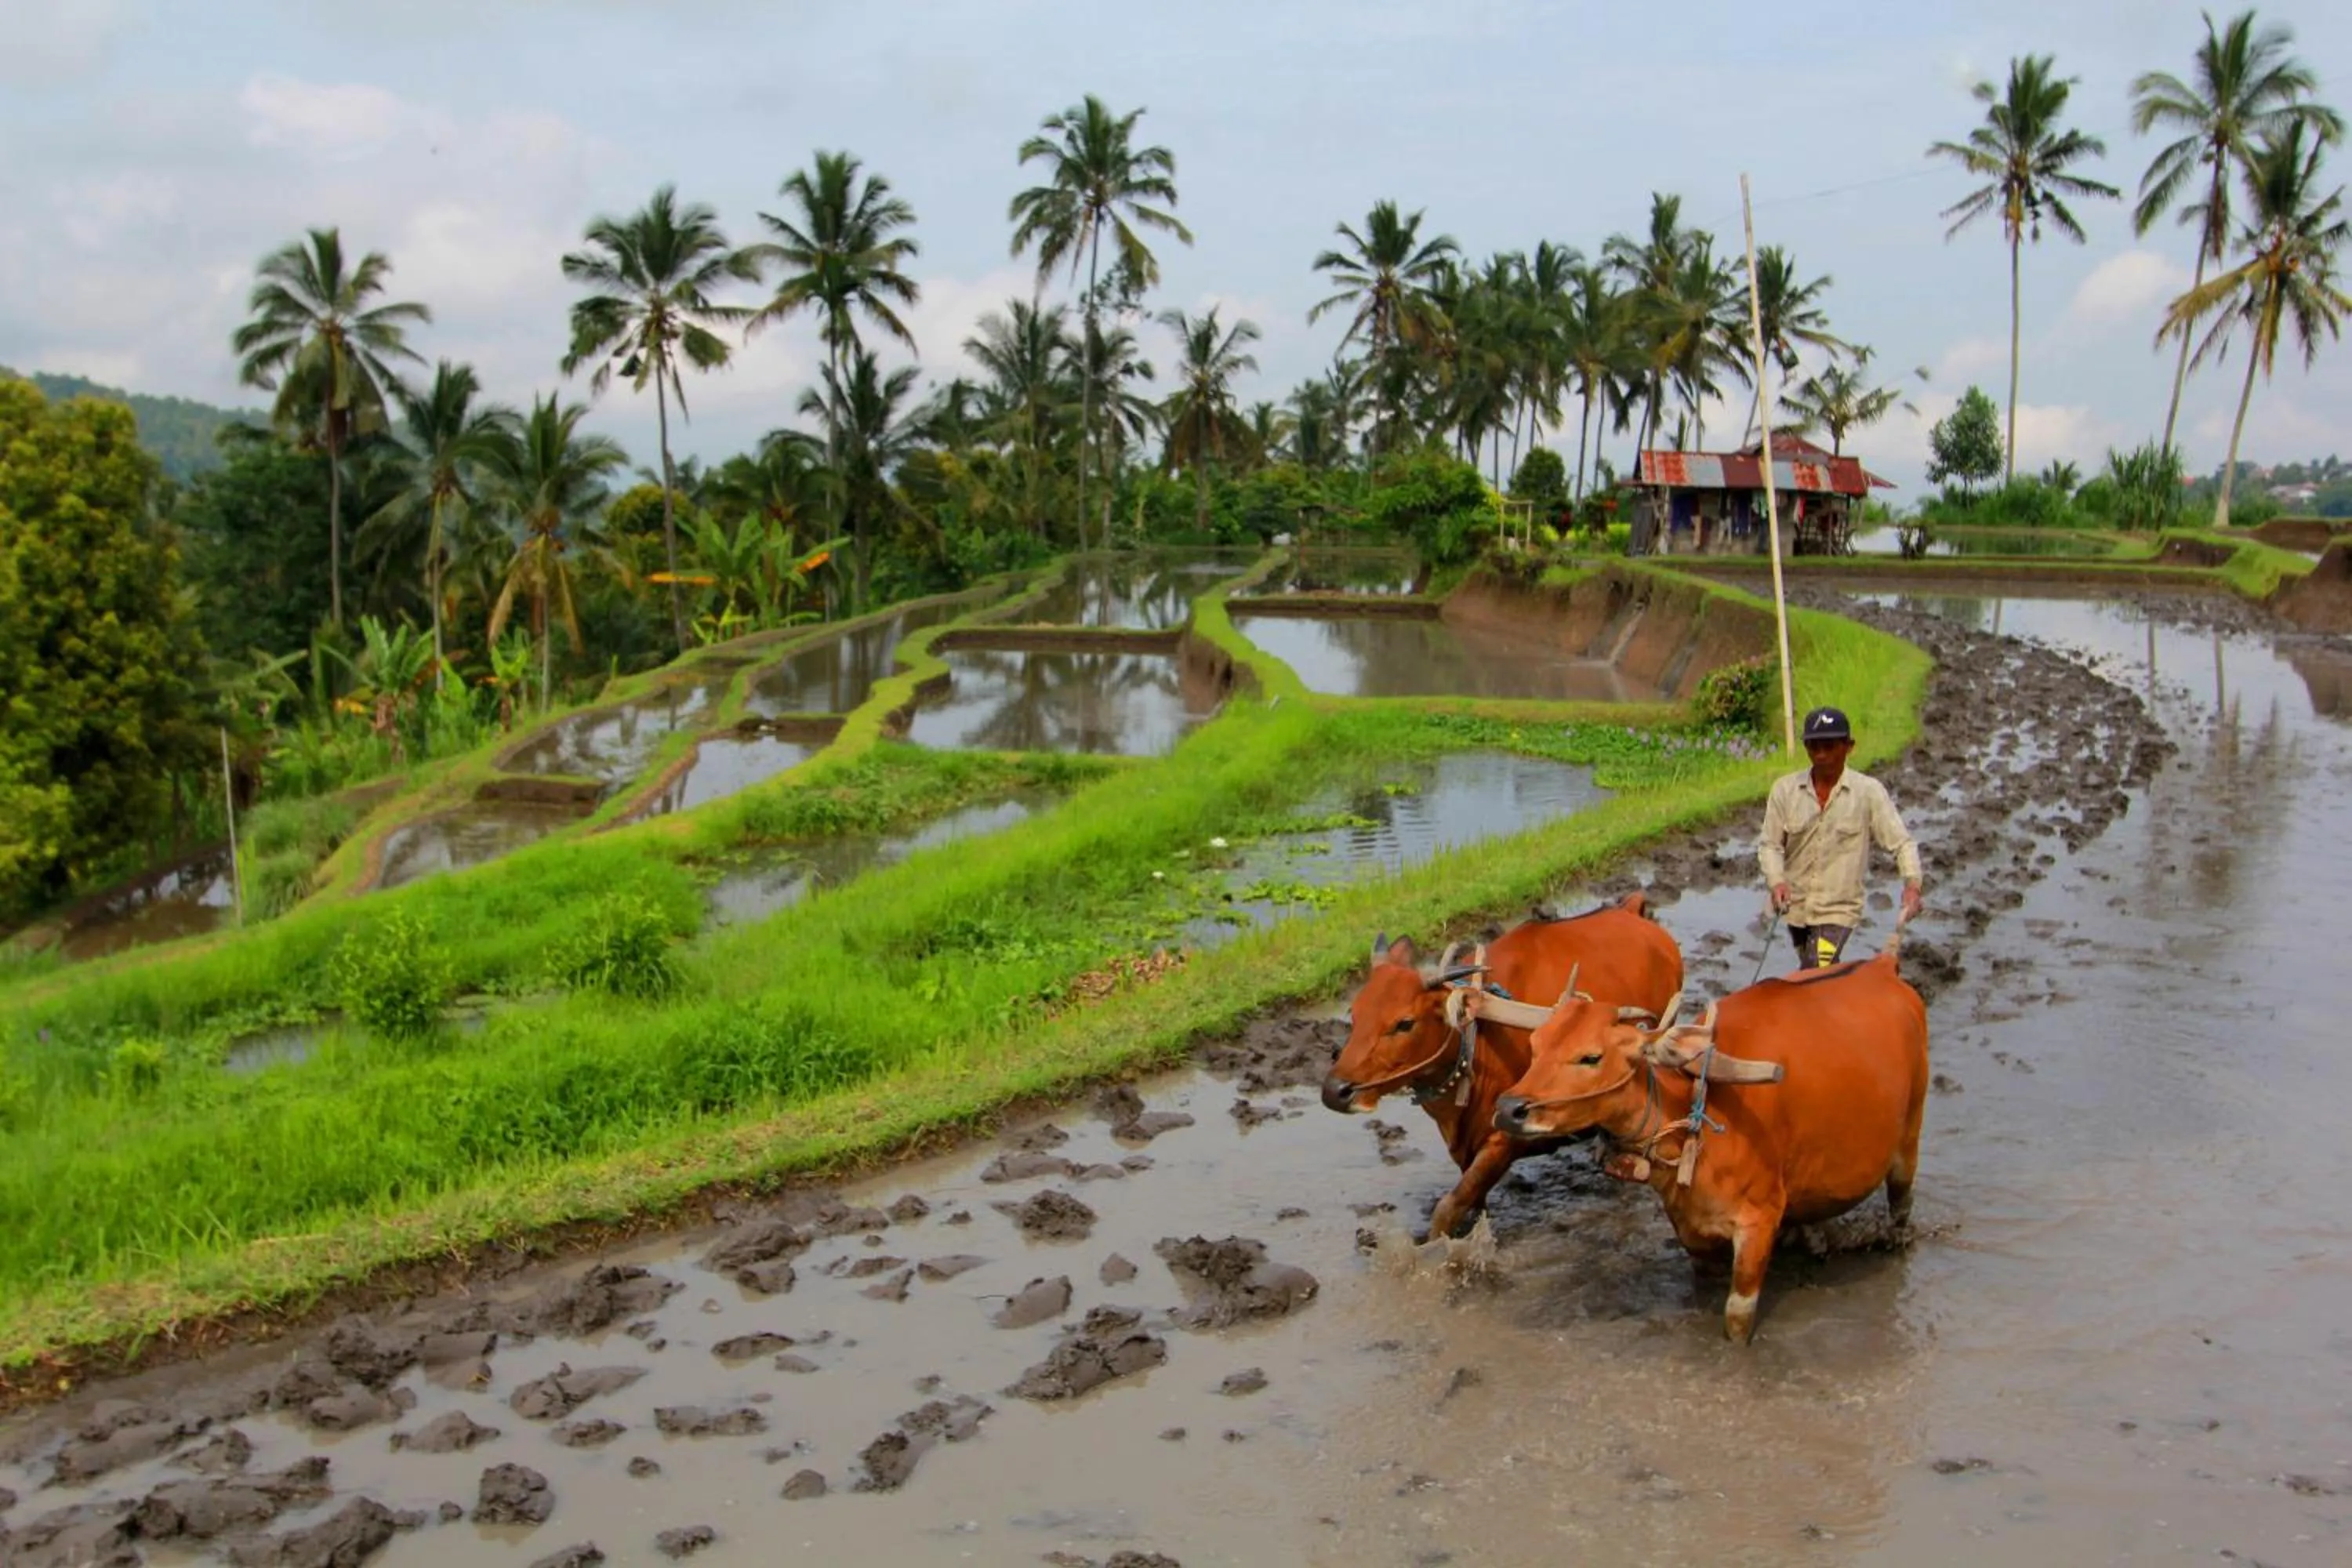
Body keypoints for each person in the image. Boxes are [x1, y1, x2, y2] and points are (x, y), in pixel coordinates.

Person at [1757, 706, 1923, 970]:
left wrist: (1912, 886)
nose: (1821, 755)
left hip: (1838, 911)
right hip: (1795, 908)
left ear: (1849, 747)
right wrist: (1777, 882)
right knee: (1817, 971)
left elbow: (1902, 844)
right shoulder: (1785, 790)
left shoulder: (1868, 793)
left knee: (1815, 970)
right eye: (1814, 747)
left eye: (1829, 747)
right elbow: (1770, 845)